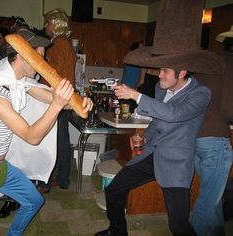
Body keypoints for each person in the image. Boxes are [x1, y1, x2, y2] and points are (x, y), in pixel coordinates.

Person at [94, 1, 224, 235]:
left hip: (175, 164)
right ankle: (116, 230)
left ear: (182, 72)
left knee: (178, 225)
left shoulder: (201, 94)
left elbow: (174, 115)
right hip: (151, 155)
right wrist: (143, 139)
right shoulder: (162, 90)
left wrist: (135, 95)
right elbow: (157, 121)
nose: (159, 74)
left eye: (164, 70)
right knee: (114, 190)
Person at [0, 30, 92, 235]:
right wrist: (57, 105)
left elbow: (51, 97)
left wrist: (79, 103)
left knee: (33, 201)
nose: (45, 62)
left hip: (1, 166)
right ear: (23, 57)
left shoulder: (20, 82)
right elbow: (32, 137)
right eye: (40, 57)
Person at [190, 25, 233, 236]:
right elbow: (228, 107)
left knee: (212, 196)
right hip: (215, 139)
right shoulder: (231, 65)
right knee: (208, 201)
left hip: (195, 137)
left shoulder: (207, 63)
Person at [42, 8, 77, 190]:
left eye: (47, 22)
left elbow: (50, 75)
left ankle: (48, 181)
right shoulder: (65, 43)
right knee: (62, 140)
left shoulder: (57, 44)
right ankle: (62, 179)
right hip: (64, 97)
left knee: (53, 141)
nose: (45, 26)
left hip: (57, 98)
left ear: (54, 24)